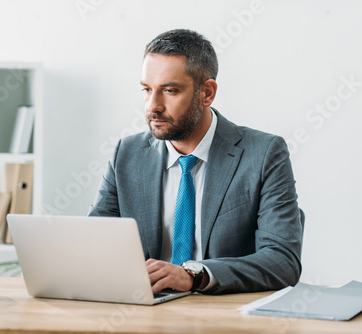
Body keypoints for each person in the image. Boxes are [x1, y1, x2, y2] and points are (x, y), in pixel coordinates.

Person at [88, 29, 303, 295]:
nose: (153, 106)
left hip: (224, 315)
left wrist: (195, 275)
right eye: (146, 90)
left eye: (170, 90)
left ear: (207, 93)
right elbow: (95, 243)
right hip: (145, 310)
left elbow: (283, 261)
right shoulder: (127, 153)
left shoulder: (264, 154)